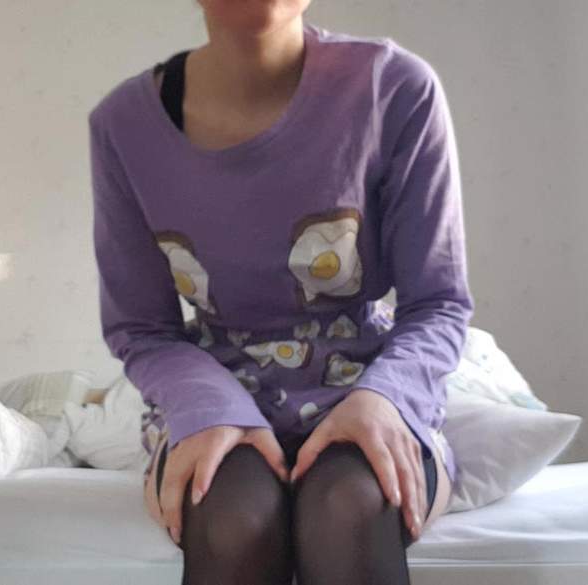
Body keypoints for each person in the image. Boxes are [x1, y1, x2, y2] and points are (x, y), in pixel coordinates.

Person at [88, 1, 474, 583]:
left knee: (348, 507)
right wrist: (207, 409)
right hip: (213, 390)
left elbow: (438, 303)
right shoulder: (122, 126)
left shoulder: (394, 87)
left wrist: (385, 399)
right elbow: (141, 328)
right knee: (233, 518)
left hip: (366, 384)